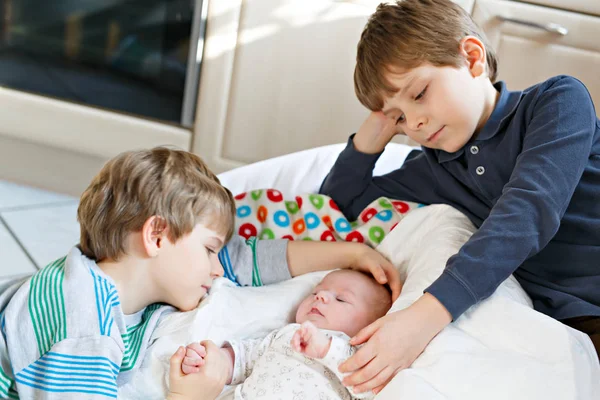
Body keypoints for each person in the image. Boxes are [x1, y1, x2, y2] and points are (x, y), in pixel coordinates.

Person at [318, 0, 600, 394]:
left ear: (471, 58)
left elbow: (527, 214)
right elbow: (337, 204)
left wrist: (425, 316)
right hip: (563, 329)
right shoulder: (434, 167)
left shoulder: (556, 104)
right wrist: (372, 137)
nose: (413, 123)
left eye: (419, 94)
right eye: (398, 117)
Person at [0, 147, 400, 399]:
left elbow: (246, 261)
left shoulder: (134, 279)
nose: (217, 268)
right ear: (156, 235)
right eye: (210, 249)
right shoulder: (82, 325)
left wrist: (350, 252)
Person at [173, 269, 392, 400]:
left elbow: (368, 390)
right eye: (315, 292)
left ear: (370, 326)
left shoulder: (357, 352)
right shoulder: (287, 334)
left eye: (341, 299)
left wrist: (325, 348)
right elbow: (246, 358)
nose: (321, 296)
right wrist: (213, 360)